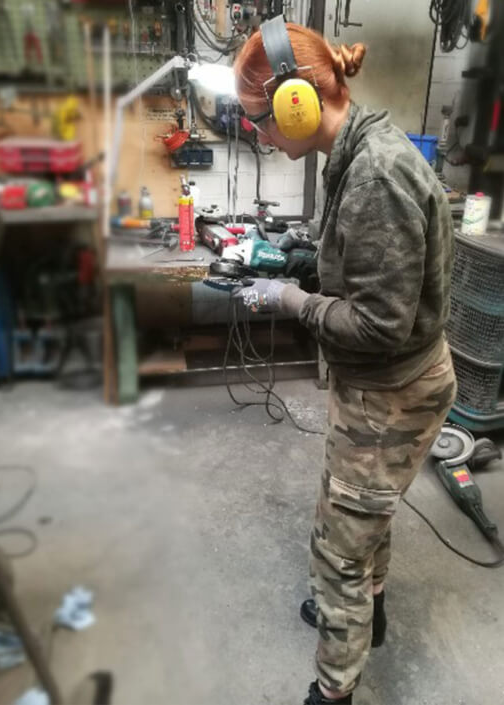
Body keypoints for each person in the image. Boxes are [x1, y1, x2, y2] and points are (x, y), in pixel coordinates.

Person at [233, 20, 457, 705]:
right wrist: (305, 259)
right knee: (360, 514)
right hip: (380, 385)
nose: (262, 138)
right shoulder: (356, 148)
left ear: (297, 102)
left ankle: (332, 692)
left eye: (261, 123)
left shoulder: (375, 177)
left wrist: (292, 300)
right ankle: (371, 610)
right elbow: (364, 264)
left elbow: (379, 325)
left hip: (391, 391)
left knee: (337, 554)